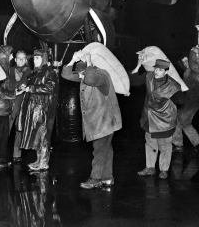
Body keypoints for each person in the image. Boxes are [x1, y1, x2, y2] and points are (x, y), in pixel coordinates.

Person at [61, 51, 122, 189]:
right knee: (106, 150)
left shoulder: (101, 75)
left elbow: (90, 79)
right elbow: (66, 74)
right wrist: (72, 60)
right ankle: (107, 178)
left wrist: (88, 61)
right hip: (97, 121)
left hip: (105, 121)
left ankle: (95, 178)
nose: (80, 77)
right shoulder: (85, 75)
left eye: (82, 73)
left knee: (99, 149)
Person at [130, 58, 181, 179]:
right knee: (150, 143)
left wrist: (170, 106)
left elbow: (181, 100)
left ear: (166, 72)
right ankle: (150, 167)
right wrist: (138, 66)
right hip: (149, 118)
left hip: (164, 120)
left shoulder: (173, 85)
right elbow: (134, 81)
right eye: (156, 68)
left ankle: (164, 169)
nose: (157, 71)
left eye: (160, 70)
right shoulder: (149, 76)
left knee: (165, 145)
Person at [16, 48, 58, 171]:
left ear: (44, 59)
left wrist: (32, 88)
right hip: (34, 109)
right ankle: (38, 160)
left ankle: (44, 162)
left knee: (43, 136)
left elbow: (50, 88)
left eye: (38, 58)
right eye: (34, 58)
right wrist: (26, 86)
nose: (35, 60)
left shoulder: (50, 72)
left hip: (44, 110)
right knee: (37, 137)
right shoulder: (35, 72)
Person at [173, 47, 199, 152]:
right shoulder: (187, 72)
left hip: (193, 101)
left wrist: (193, 52)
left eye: (187, 60)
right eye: (183, 61)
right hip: (190, 102)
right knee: (185, 123)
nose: (185, 62)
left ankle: (178, 145)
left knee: (177, 120)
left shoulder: (197, 72)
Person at [8, 51, 32, 163]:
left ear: (26, 60)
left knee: (20, 129)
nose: (21, 60)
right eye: (19, 58)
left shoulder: (30, 72)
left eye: (23, 58)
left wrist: (27, 87)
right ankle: (1, 155)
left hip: (23, 103)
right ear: (15, 59)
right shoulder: (9, 70)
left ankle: (16, 154)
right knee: (6, 128)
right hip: (10, 103)